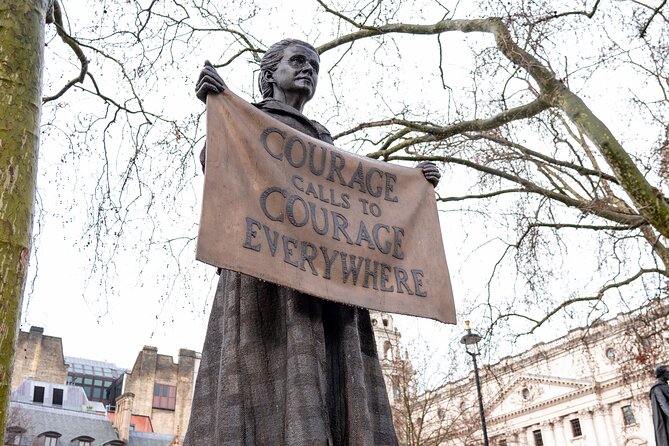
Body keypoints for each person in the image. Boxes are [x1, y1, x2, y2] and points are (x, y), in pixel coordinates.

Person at [185, 39, 439, 446]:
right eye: (298, 62)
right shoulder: (247, 119)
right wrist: (217, 110)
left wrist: (411, 186)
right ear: (269, 75)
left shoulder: (323, 140)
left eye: (315, 67)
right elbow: (217, 167)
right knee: (268, 380)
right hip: (266, 278)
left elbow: (357, 204)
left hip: (328, 282)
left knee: (333, 387)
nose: (308, 70)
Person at [651, 365, 669, 446]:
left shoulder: (666, 386)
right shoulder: (657, 388)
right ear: (662, 374)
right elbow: (664, 405)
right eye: (667, 372)